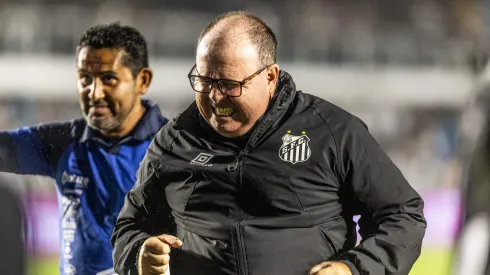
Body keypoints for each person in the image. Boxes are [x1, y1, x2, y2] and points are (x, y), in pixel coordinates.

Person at [111, 11, 427, 275]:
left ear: (270, 77)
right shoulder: (173, 141)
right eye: (204, 81)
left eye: (230, 84)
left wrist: (353, 269)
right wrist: (139, 253)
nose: (215, 97)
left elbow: (402, 215)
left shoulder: (333, 131)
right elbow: (130, 225)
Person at [0, 22, 169, 275]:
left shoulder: (176, 148)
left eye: (108, 79)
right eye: (85, 79)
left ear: (142, 80)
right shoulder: (64, 142)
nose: (94, 92)